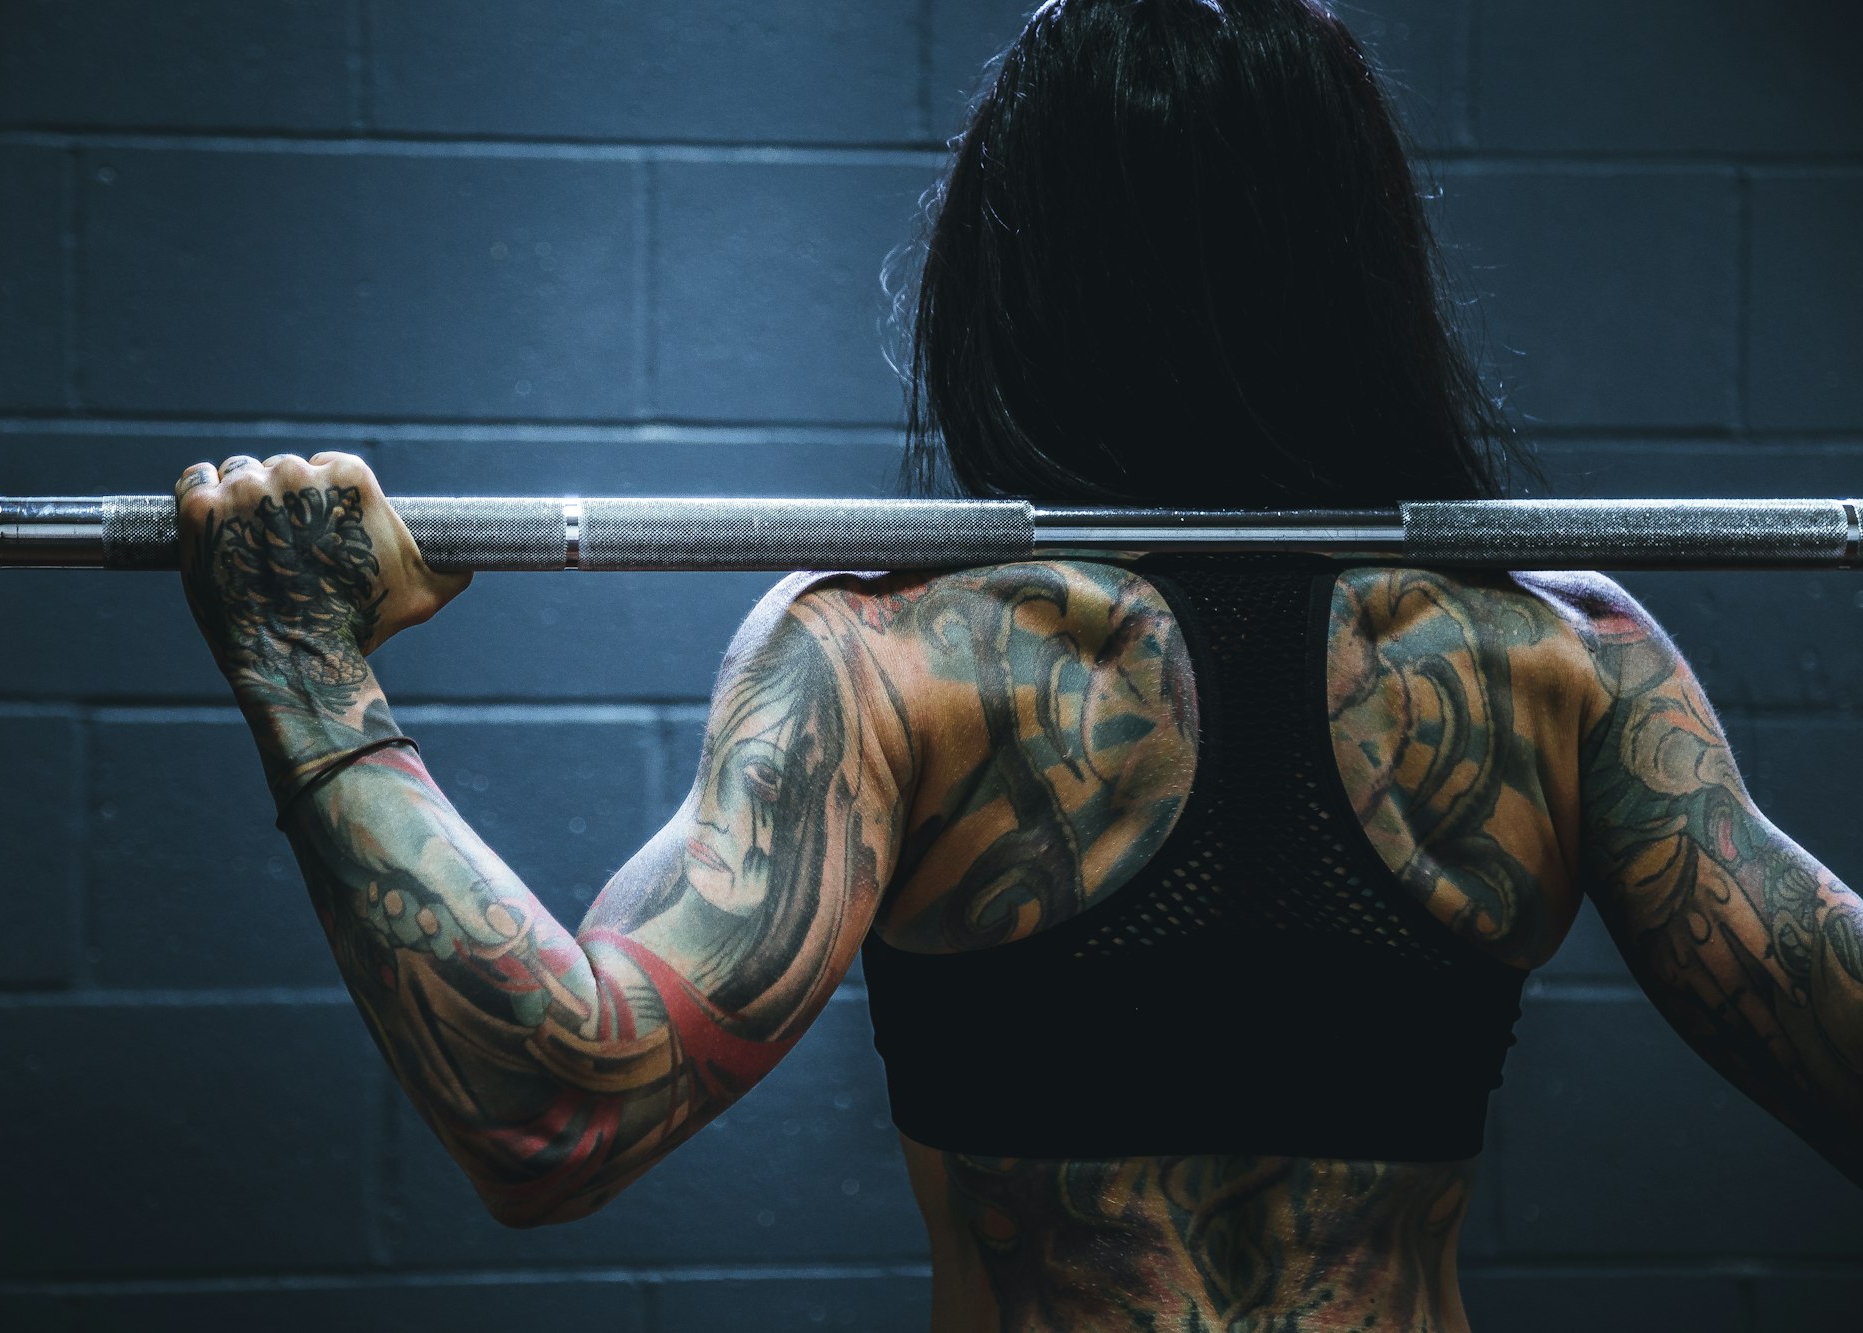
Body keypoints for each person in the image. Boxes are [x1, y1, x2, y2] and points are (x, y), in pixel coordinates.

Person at [172, 1, 1863, 1328]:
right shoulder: (1564, 662)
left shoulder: (892, 662)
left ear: (1011, 269)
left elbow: (557, 1107)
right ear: (1364, 265)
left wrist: (310, 667)